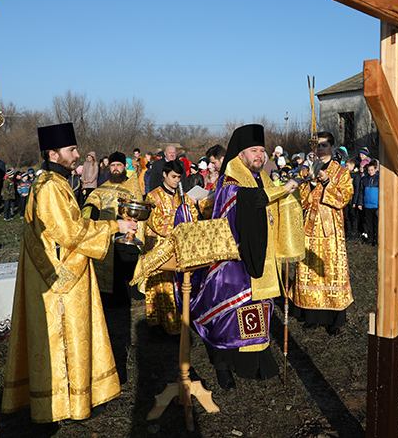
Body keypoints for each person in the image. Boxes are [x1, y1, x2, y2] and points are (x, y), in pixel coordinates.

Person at [1, 123, 138, 423]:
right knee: (65, 339)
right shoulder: (50, 186)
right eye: (71, 150)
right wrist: (116, 226)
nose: (77, 155)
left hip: (56, 271)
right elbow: (70, 231)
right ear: (53, 153)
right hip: (61, 278)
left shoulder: (55, 181)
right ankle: (67, 404)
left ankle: (69, 400)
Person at [187, 124, 299, 390]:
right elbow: (250, 200)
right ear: (240, 155)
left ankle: (256, 364)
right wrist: (282, 190)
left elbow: (270, 201)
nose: (260, 155)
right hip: (233, 263)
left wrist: (287, 194)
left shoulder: (263, 178)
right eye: (253, 150)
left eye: (262, 150)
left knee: (259, 310)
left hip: (261, 257)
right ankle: (224, 367)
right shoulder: (230, 182)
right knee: (229, 317)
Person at [290, 131, 354, 335]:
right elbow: (301, 200)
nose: (320, 149)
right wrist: (307, 185)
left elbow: (344, 198)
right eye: (317, 145)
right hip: (310, 226)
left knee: (330, 270)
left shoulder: (341, 172)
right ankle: (311, 315)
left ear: (332, 148)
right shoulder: (306, 170)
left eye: (324, 145)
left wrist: (326, 182)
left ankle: (334, 318)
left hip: (330, 229)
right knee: (309, 269)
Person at [142, 159, 197, 335]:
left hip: (179, 250)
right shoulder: (153, 196)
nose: (176, 181)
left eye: (179, 177)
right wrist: (179, 221)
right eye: (173, 177)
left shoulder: (184, 197)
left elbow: (193, 217)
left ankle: (180, 326)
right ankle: (165, 328)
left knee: (180, 288)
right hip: (159, 249)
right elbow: (155, 222)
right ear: (165, 175)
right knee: (162, 288)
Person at [82, 151, 143, 306]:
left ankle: (122, 296)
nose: (116, 169)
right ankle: (104, 296)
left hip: (123, 236)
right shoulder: (101, 189)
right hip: (104, 235)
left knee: (122, 266)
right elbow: (89, 207)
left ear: (124, 167)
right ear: (109, 168)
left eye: (119, 165)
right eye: (113, 165)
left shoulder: (131, 187)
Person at [357, 160, 380, 245]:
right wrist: (360, 203)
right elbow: (361, 192)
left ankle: (377, 240)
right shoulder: (364, 179)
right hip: (367, 205)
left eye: (372, 170)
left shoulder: (379, 179)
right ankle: (370, 238)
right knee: (369, 223)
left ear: (375, 169)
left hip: (376, 205)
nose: (370, 172)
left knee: (376, 223)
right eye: (369, 170)